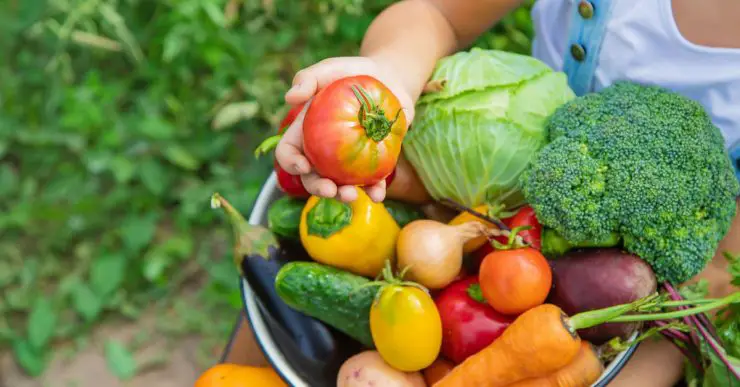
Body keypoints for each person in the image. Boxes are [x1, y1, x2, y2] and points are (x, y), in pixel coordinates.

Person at [226, 1, 740, 385]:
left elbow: (717, 272)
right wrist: (391, 77)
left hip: (625, 293)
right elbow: (436, 12)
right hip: (490, 184)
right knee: (259, 340)